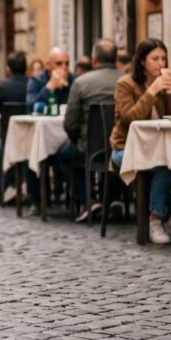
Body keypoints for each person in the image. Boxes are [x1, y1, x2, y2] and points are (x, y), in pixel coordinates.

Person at [110, 38, 171, 244]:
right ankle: (155, 220)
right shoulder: (125, 84)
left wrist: (170, 94)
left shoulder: (163, 83)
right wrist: (151, 91)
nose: (161, 63)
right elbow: (129, 118)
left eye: (163, 58)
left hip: (158, 147)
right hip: (125, 148)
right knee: (163, 165)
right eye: (155, 58)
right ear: (142, 61)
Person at [64, 39, 124, 222]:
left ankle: (88, 200)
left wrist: (77, 139)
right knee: (115, 154)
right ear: (115, 59)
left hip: (88, 147)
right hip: (119, 145)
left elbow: (70, 123)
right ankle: (114, 197)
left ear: (94, 59)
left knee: (63, 156)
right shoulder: (126, 81)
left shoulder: (81, 83)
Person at [0, 51, 29, 203]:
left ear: (8, 69)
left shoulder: (2, 87)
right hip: (31, 136)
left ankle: (2, 188)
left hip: (9, 138)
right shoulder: (33, 85)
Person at [26, 47, 75, 114]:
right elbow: (31, 107)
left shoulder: (74, 80)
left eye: (67, 63)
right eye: (59, 63)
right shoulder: (36, 80)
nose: (64, 67)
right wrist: (50, 86)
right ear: (48, 65)